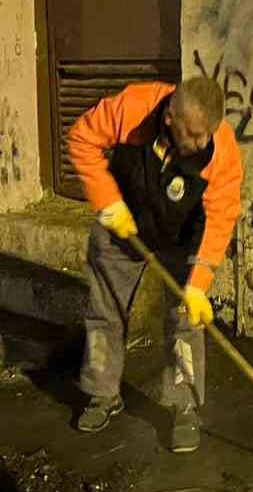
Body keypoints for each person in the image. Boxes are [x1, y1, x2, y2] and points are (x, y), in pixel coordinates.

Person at [65, 77, 243, 453]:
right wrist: (107, 201)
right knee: (105, 312)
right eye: (193, 134)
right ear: (169, 118)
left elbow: (221, 216)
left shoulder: (220, 148)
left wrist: (199, 283)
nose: (202, 143)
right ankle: (102, 393)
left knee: (185, 321)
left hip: (182, 237)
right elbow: (82, 138)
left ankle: (184, 406)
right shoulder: (133, 108)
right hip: (123, 223)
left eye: (207, 134)